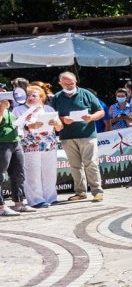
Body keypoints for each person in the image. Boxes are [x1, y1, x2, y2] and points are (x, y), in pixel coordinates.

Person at [52, 72, 105, 202]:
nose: (70, 86)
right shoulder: (57, 97)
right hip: (67, 136)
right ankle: (80, 192)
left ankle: (97, 191)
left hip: (87, 135)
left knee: (91, 163)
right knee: (75, 166)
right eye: (66, 84)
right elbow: (52, 116)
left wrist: (92, 117)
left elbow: (101, 111)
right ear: (60, 83)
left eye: (72, 83)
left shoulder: (86, 94)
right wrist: (62, 119)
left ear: (76, 81)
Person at [14, 85, 63, 208]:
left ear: (41, 97)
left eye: (33, 95)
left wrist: (57, 123)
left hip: (49, 145)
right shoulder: (18, 110)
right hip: (29, 146)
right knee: (32, 173)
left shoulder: (48, 109)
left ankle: (51, 198)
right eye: (28, 95)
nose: (30, 98)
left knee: (50, 173)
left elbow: (59, 127)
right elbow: (15, 127)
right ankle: (36, 200)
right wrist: (29, 126)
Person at [0, 91, 35, 216]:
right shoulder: (2, 109)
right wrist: (2, 108)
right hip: (2, 144)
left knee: (18, 174)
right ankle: (1, 206)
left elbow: (14, 125)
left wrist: (24, 120)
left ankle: (19, 203)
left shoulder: (9, 111)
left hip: (15, 143)